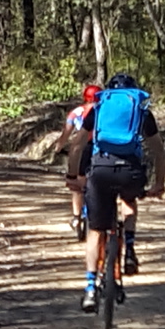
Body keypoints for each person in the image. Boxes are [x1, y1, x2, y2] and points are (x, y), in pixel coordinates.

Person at [79, 71, 156, 310]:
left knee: (95, 232)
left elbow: (77, 146)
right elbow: (158, 151)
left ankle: (90, 288)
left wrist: (75, 177)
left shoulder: (98, 109)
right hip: (130, 172)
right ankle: (130, 247)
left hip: (100, 171)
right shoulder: (141, 111)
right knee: (129, 200)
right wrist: (160, 183)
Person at [55, 81, 102, 235]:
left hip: (83, 149)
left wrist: (58, 149)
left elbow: (66, 133)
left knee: (77, 184)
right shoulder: (104, 110)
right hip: (101, 150)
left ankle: (76, 217)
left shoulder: (76, 112)